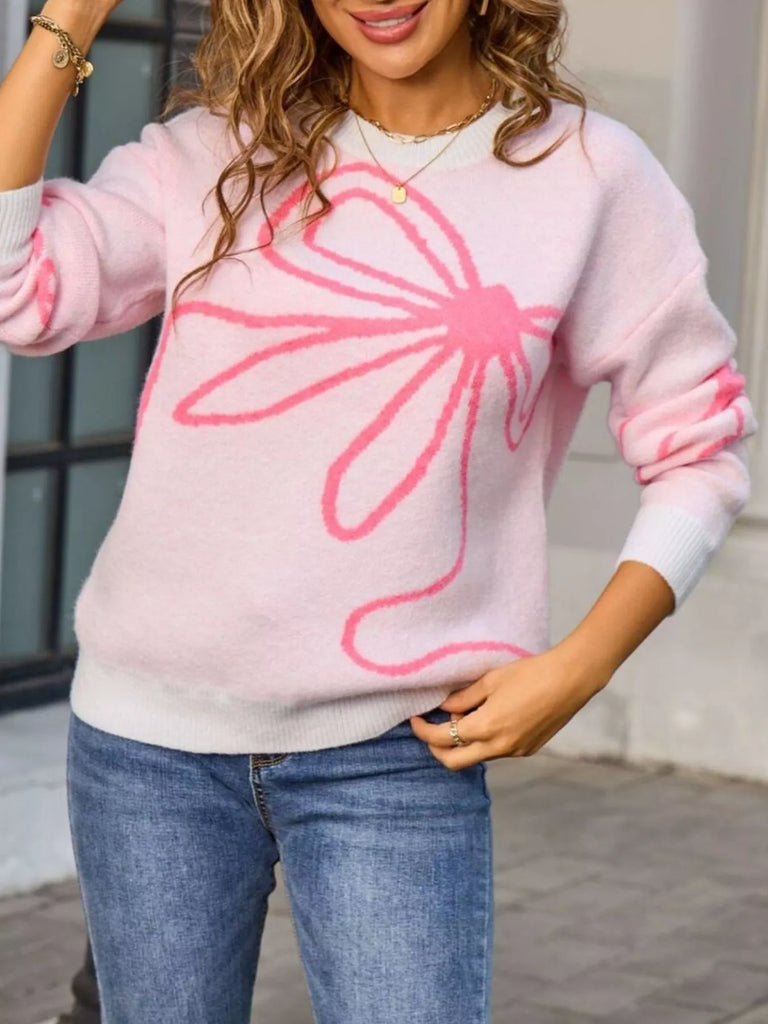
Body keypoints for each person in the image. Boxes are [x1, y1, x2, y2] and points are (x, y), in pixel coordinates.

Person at [1, 0, 758, 1019]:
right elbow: (18, 289)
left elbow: (700, 452)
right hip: (148, 744)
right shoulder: (218, 151)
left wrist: (581, 666)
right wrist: (71, 17)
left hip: (397, 750)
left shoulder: (590, 176)